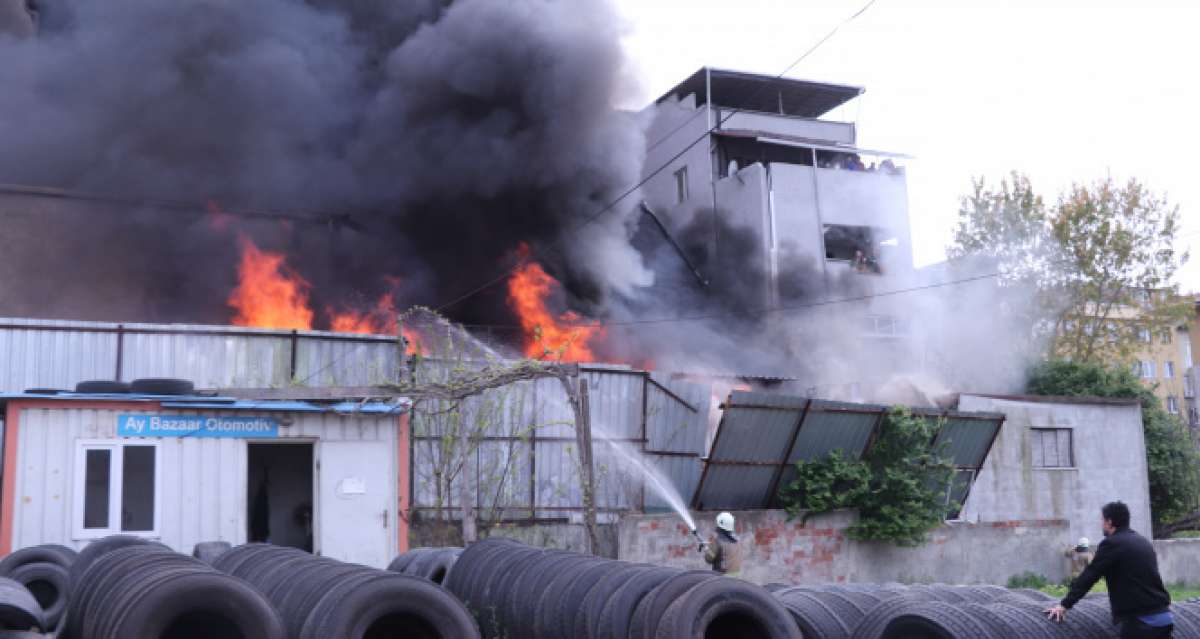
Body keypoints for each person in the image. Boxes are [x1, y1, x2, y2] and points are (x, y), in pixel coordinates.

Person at [1045, 502, 1173, 638]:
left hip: (1142, 621)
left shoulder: (1112, 543)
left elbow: (1090, 576)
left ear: (1109, 522)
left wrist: (1064, 605)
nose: (1101, 524)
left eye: (1102, 520)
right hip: (1164, 616)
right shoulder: (1142, 541)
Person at [700, 511, 742, 576]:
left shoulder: (717, 542)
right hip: (736, 579)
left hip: (721, 579)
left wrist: (707, 549)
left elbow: (708, 559)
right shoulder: (737, 542)